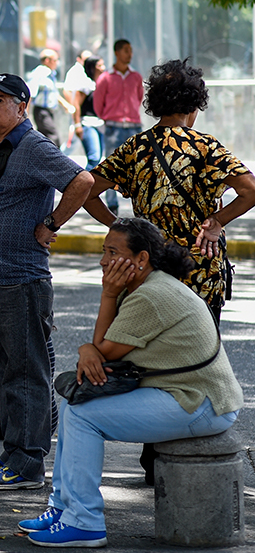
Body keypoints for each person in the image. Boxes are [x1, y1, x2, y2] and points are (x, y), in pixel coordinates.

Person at [20, 217, 241, 547]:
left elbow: (103, 353)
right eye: (103, 251)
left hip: (201, 403)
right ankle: (64, 508)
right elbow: (101, 351)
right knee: (74, 402)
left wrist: (107, 297)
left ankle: (85, 523)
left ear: (142, 259)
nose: (103, 260)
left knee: (82, 415)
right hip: (185, 395)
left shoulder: (149, 295)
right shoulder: (146, 285)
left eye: (113, 252)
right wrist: (89, 349)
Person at [83, 59, 255, 483]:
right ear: (195, 105)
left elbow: (87, 187)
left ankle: (151, 459)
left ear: (153, 103)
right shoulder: (207, 148)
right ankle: (185, 449)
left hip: (145, 272)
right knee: (193, 361)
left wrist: (118, 228)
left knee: (143, 360)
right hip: (200, 272)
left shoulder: (134, 148)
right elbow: (251, 190)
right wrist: (217, 222)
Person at [0, 74, 93, 489]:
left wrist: (52, 223)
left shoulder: (34, 145)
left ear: (22, 107)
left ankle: (28, 465)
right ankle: (13, 453)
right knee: (9, 372)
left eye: (0, 100)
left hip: (19, 280)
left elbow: (83, 181)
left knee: (26, 374)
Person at [94, 39, 143, 213]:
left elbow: (139, 98)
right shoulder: (105, 78)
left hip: (133, 126)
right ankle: (112, 205)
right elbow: (98, 105)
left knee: (138, 167)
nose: (129, 54)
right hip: (113, 127)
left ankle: (139, 202)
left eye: (131, 51)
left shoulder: (136, 77)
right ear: (117, 53)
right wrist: (110, 117)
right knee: (111, 167)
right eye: (126, 50)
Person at [26, 49, 76, 144]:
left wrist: (65, 104)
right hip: (41, 111)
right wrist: (26, 116)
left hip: (49, 111)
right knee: (53, 138)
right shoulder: (39, 73)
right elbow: (30, 94)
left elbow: (53, 94)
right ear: (47, 60)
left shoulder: (50, 74)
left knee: (44, 139)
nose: (57, 63)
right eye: (55, 60)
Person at [70, 57, 106, 171]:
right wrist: (77, 125)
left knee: (100, 159)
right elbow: (76, 105)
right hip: (87, 124)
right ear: (91, 68)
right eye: (99, 66)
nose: (103, 68)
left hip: (101, 125)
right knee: (94, 158)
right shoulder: (86, 84)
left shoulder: (102, 84)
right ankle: (83, 184)